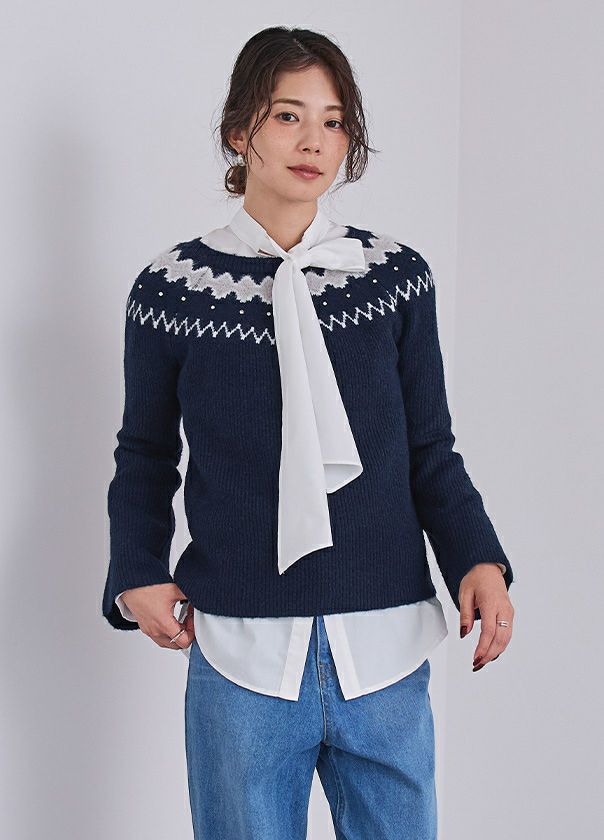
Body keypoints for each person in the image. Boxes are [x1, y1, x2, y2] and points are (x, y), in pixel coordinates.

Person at [102, 26, 516, 840]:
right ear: (239, 130)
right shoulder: (171, 290)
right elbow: (145, 454)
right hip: (241, 651)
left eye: (333, 122)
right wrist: (136, 570)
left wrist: (478, 558)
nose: (313, 141)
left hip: (384, 646)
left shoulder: (395, 279)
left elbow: (430, 448)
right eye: (288, 116)